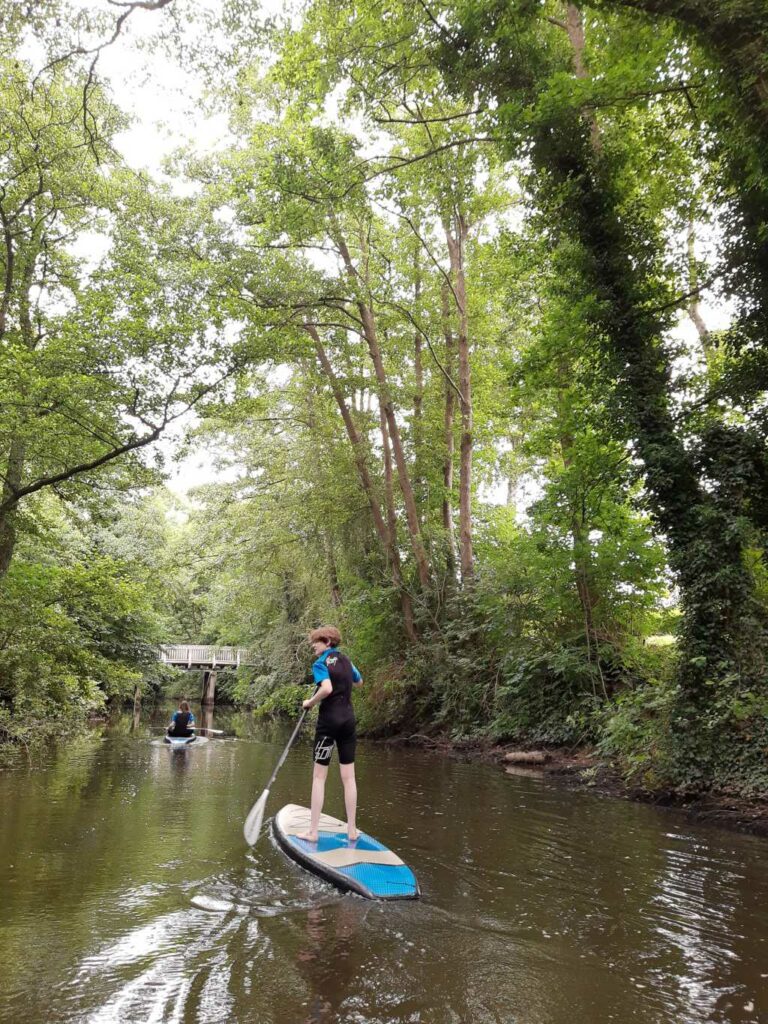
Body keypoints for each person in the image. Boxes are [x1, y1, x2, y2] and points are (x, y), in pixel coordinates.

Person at [299, 626, 363, 843]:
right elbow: (359, 681)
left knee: (319, 777)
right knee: (349, 778)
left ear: (327, 641)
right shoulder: (347, 660)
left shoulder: (320, 664)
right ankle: (352, 829)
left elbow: (325, 689)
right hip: (348, 721)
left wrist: (310, 702)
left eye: (315, 642)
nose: (313, 646)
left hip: (329, 723)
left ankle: (313, 832)